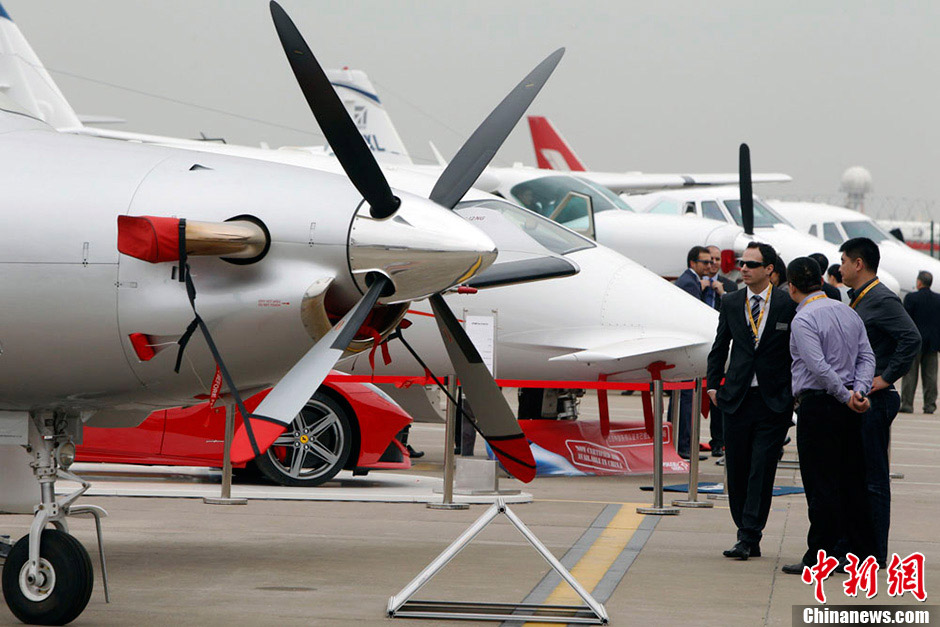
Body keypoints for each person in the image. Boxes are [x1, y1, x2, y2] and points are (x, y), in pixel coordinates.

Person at [779, 258, 875, 575]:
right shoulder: (849, 312)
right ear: (821, 280)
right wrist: (857, 392)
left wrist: (845, 396)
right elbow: (866, 356)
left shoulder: (804, 319)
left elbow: (818, 367)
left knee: (821, 483)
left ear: (791, 286)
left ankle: (820, 555)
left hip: (821, 405)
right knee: (851, 479)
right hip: (850, 404)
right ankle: (855, 552)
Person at [707, 242, 797, 560]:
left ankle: (748, 534)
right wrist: (712, 386)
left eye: (751, 264)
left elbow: (796, 352)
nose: (743, 268)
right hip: (737, 398)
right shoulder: (731, 302)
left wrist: (794, 393)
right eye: (742, 263)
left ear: (769, 270)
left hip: (773, 401)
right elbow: (719, 346)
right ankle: (745, 530)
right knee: (738, 468)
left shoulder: (788, 304)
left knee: (762, 469)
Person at [839, 237, 920, 566]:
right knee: (857, 476)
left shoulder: (881, 299)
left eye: (843, 260)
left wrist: (886, 377)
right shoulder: (861, 299)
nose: (840, 267)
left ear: (858, 264)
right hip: (862, 398)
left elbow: (911, 337)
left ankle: (872, 552)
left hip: (876, 400)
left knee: (872, 478)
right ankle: (857, 547)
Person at [672, 246, 712, 458]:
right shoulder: (689, 282)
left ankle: (681, 444)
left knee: (684, 399)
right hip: (686, 347)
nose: (709, 266)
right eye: (704, 262)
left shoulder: (692, 280)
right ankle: (683, 446)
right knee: (685, 399)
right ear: (692, 263)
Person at [705, 246, 738, 456]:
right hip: (706, 344)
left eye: (717, 259)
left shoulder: (730, 285)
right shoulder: (691, 284)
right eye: (710, 259)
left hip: (723, 344)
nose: (714, 263)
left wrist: (723, 293)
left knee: (719, 398)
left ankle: (719, 440)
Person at [901, 271, 940, 414]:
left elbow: (906, 321)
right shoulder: (938, 299)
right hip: (933, 343)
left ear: (919, 282)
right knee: (930, 376)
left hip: (914, 343)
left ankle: (907, 404)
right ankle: (930, 405)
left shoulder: (911, 298)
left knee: (910, 375)